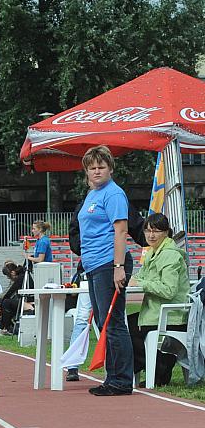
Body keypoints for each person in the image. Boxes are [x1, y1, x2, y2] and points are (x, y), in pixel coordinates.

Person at [78, 145, 134, 395]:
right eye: (92, 168)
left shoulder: (113, 194)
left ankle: (121, 380)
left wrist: (118, 266)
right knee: (104, 322)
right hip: (93, 265)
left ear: (110, 168)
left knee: (113, 322)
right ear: (87, 172)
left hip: (108, 263)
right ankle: (113, 377)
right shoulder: (92, 194)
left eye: (101, 167)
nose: (97, 171)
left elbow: (121, 230)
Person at [128, 213, 190, 386]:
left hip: (171, 315)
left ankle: (158, 370)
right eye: (147, 231)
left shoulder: (170, 255)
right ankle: (155, 370)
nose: (151, 235)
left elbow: (169, 290)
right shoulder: (152, 253)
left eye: (156, 231)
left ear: (166, 233)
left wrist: (140, 283)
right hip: (155, 312)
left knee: (126, 331)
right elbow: (141, 277)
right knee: (124, 325)